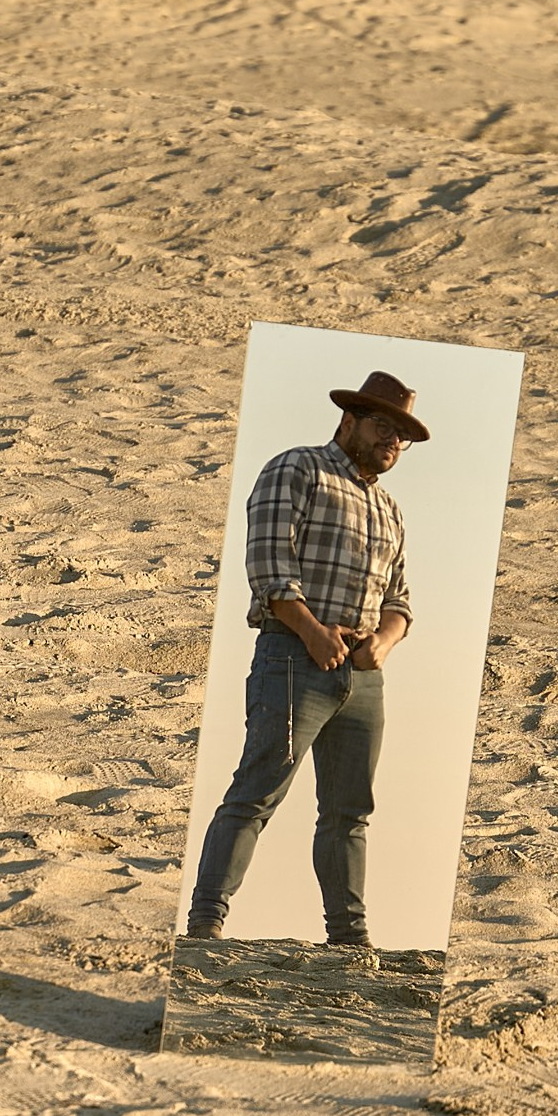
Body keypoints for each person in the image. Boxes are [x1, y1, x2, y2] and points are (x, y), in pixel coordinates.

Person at [186, 369, 428, 951]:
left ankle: (349, 938)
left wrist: (384, 643)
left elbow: (400, 599)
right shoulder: (296, 469)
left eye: (402, 435)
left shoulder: (390, 508)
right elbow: (269, 566)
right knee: (256, 792)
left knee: (350, 812)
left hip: (363, 675)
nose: (392, 441)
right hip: (294, 656)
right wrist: (314, 633)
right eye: (382, 426)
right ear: (349, 419)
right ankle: (205, 927)